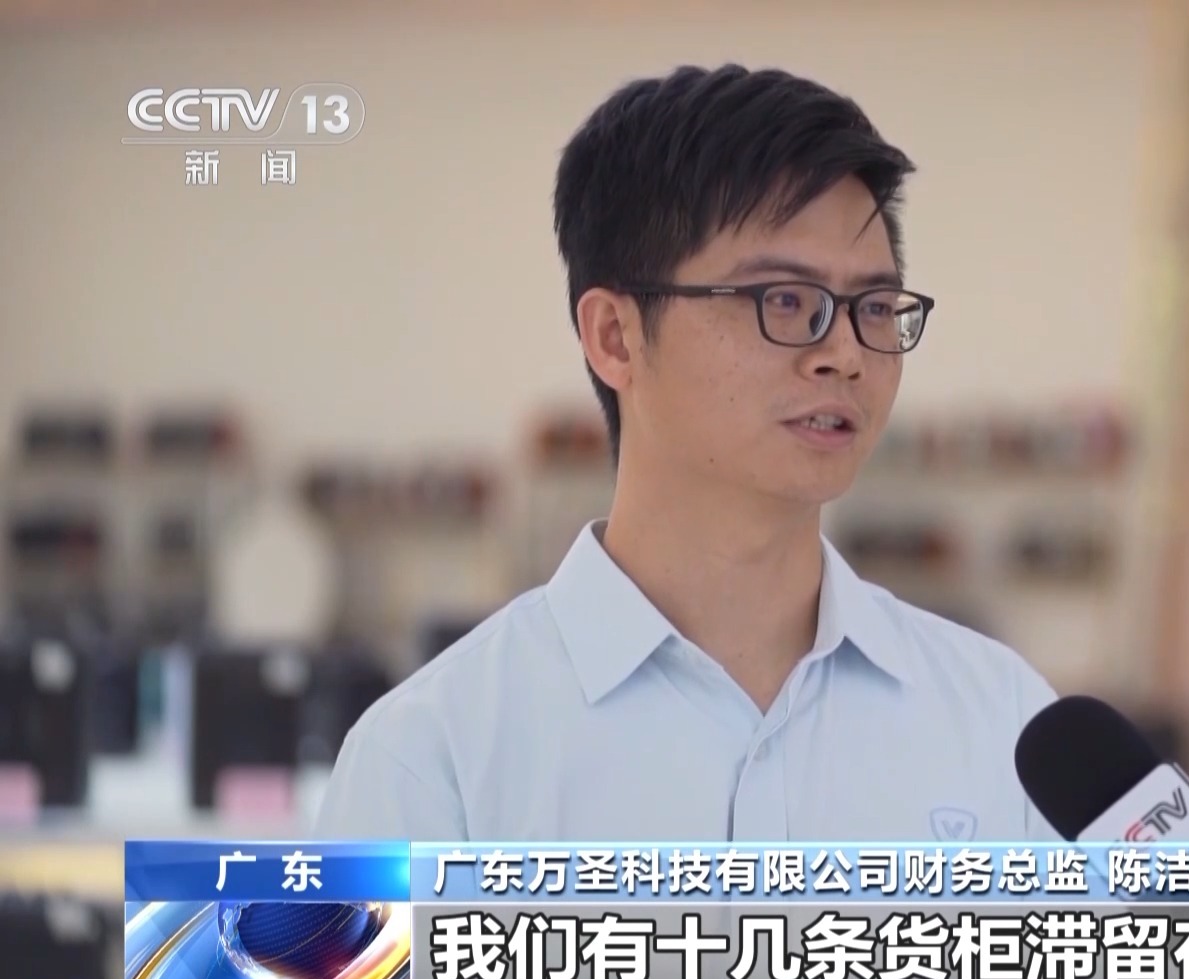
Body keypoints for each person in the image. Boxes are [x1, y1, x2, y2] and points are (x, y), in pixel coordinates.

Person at [313, 65, 1058, 843]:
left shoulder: (1004, 727)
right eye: (785, 300)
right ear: (615, 336)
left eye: (873, 307)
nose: (844, 353)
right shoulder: (433, 761)